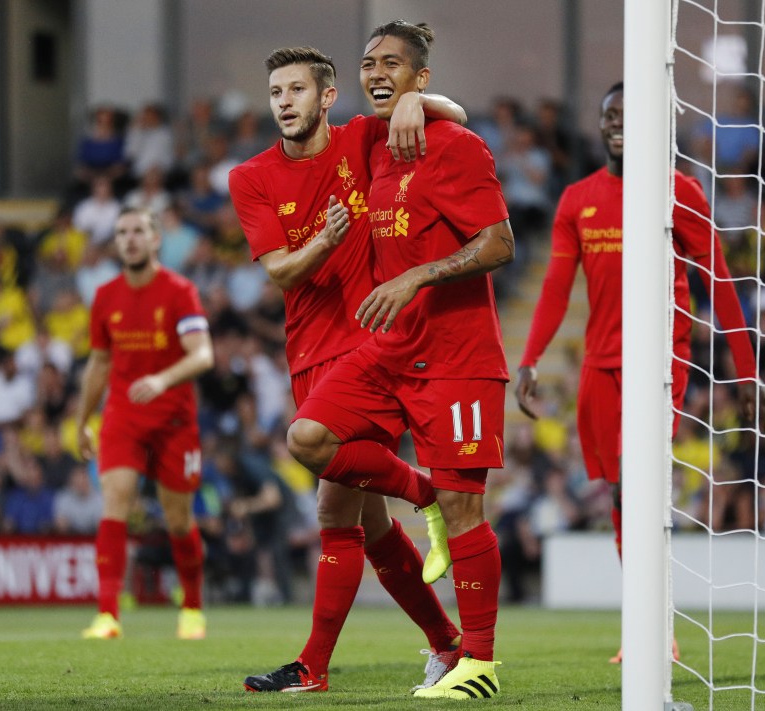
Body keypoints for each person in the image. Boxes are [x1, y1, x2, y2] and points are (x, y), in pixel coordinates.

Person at [286, 22, 514, 700]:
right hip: (389, 349)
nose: (377, 72)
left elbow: (499, 244)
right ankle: (425, 499)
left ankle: (477, 661)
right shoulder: (378, 146)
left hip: (457, 355)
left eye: (393, 65)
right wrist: (419, 101)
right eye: (368, 63)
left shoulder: (456, 147)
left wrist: (417, 276)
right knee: (309, 436)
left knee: (468, 507)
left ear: (420, 76)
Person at [230, 45, 466, 694]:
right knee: (366, 525)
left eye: (297, 89)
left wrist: (419, 99)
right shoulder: (251, 176)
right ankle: (447, 641)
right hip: (306, 355)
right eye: (276, 90)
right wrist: (325, 241)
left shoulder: (362, 138)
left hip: (370, 348)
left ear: (327, 98)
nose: (283, 100)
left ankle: (313, 665)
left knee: (331, 502)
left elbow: (456, 116)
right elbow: (278, 269)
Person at [515, 82, 765, 663]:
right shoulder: (577, 199)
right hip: (600, 363)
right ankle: (648, 622)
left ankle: (654, 627)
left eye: (629, 115)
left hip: (661, 359)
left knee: (636, 480)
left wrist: (747, 369)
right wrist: (530, 357)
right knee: (619, 492)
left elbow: (720, 283)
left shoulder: (678, 192)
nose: (617, 124)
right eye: (609, 115)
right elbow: (557, 288)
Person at [74, 206, 214, 640]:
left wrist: (162, 379)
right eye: (122, 233)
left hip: (174, 420)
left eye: (138, 231)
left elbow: (203, 354)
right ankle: (107, 615)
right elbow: (98, 363)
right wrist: (82, 420)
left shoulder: (179, 291)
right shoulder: (105, 296)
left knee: (178, 521)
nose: (130, 239)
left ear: (156, 240)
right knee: (115, 501)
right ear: (115, 242)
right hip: (123, 416)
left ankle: (191, 606)